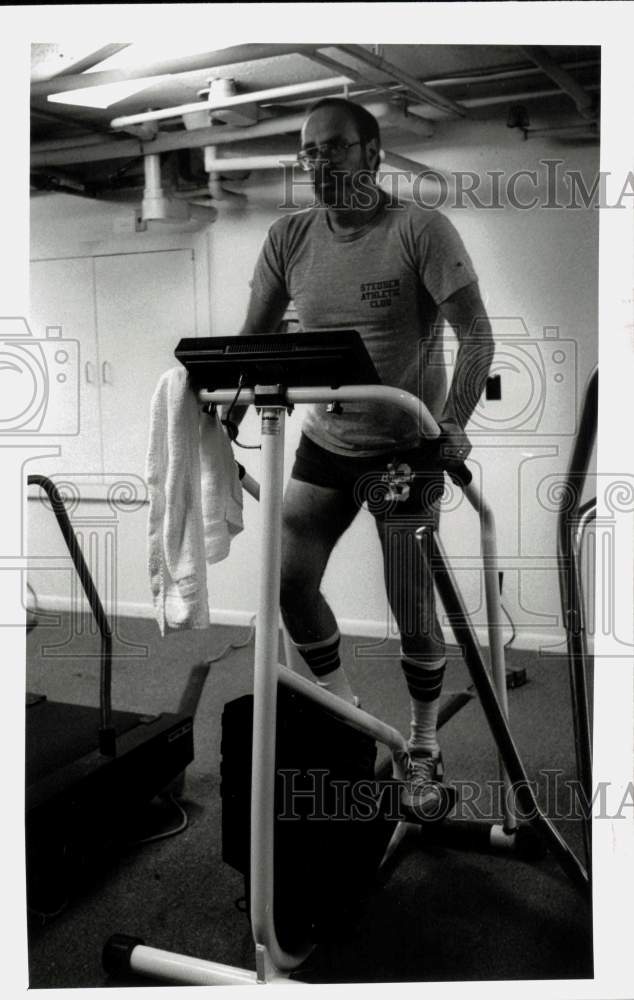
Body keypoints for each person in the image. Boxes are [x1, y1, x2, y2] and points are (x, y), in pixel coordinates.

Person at [227, 97, 494, 816]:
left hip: (405, 450)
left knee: (411, 606)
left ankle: (424, 743)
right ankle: (346, 709)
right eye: (308, 151)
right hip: (325, 443)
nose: (317, 163)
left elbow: (477, 338)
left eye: (333, 148)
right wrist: (224, 409)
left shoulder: (419, 229)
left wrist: (454, 424)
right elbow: (251, 345)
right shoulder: (289, 237)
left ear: (373, 154)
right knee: (289, 582)